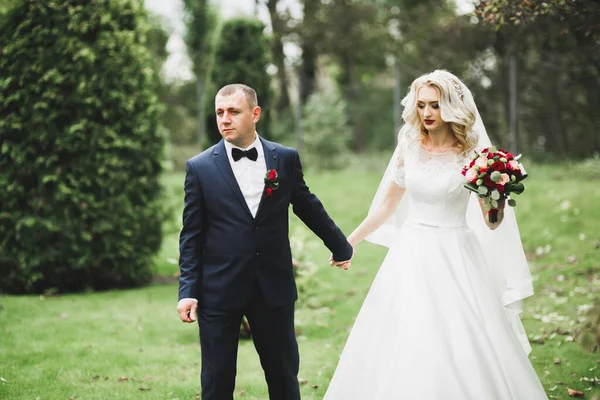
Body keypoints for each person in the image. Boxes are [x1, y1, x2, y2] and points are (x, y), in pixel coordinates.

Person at [323, 70, 549, 399]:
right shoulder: (409, 145)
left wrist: (497, 195)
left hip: (456, 253)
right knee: (404, 333)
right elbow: (386, 206)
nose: (427, 113)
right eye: (422, 105)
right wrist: (348, 242)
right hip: (411, 253)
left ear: (452, 108)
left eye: (435, 105)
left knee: (462, 334)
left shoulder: (474, 155)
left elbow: (492, 222)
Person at [177, 83, 353, 400]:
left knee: (283, 377)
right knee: (216, 382)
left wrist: (340, 245)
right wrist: (188, 291)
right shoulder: (199, 167)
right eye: (219, 112)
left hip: (272, 286)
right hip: (219, 289)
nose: (225, 119)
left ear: (255, 113)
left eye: (233, 111)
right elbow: (191, 234)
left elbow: (306, 204)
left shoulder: (283, 159)